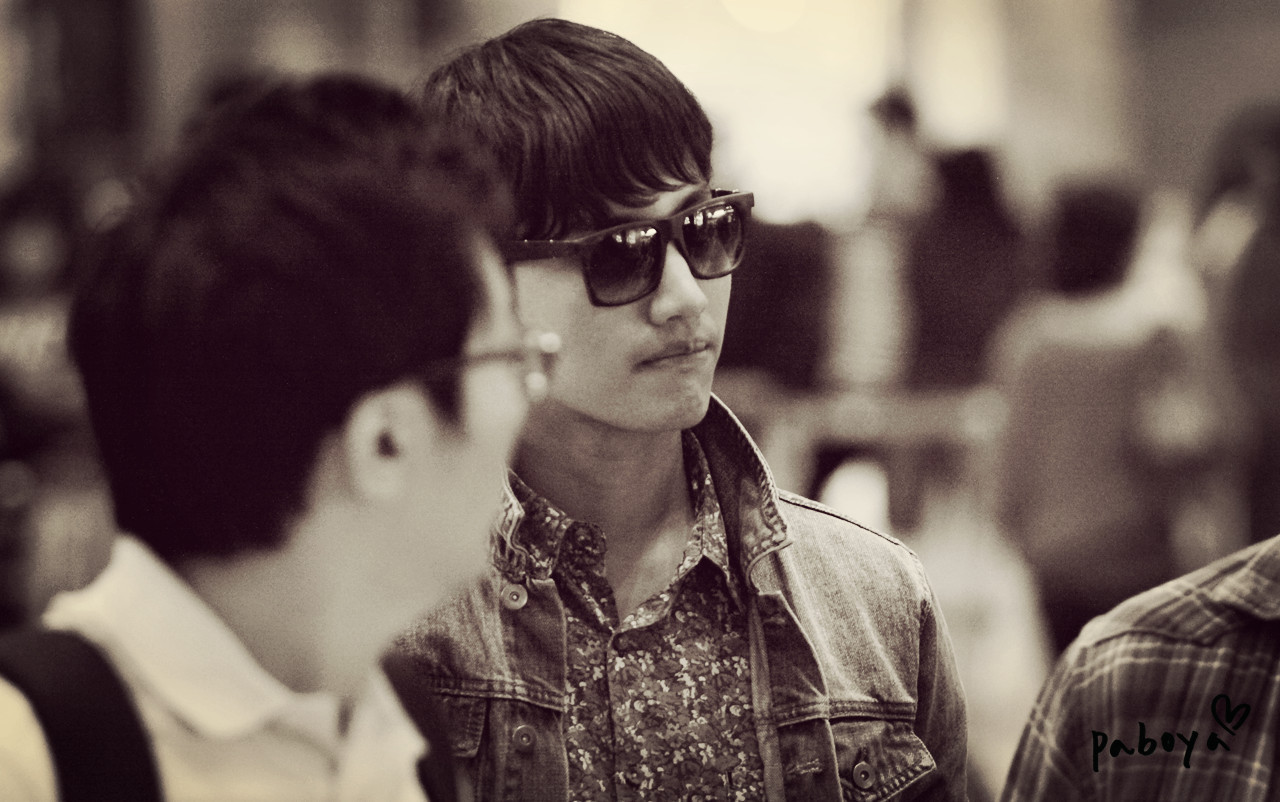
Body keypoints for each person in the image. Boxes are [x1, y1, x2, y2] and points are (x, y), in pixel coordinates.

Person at [387, 18, 968, 801]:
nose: (686, 298)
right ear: (476, 282)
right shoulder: (386, 623)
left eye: (703, 228)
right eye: (619, 252)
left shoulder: (875, 598)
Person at [0, 73, 545, 800]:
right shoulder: (29, 758)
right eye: (512, 358)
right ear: (384, 442)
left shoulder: (395, 718)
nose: (533, 395)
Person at [999, 161, 1280, 801]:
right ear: (1129, 243)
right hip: (1138, 556)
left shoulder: (1028, 337)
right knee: (1156, 724)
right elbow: (1223, 431)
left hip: (1053, 562)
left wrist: (1020, 533)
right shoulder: (1155, 335)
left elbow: (1010, 466)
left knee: (1078, 702)